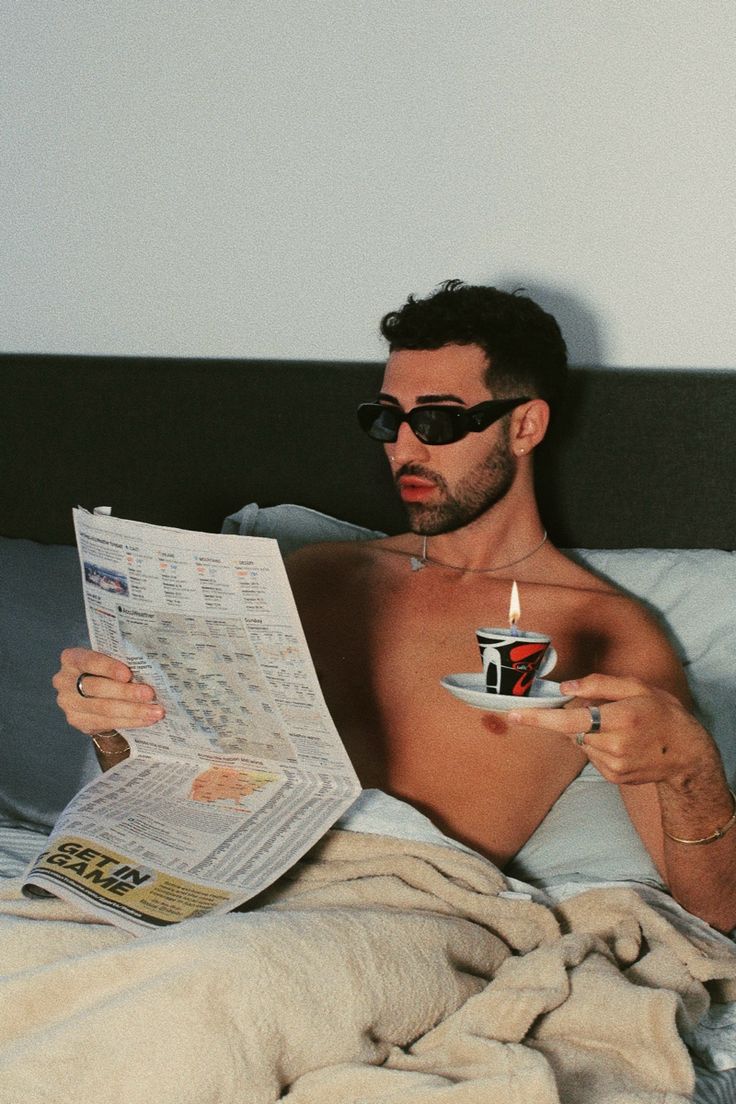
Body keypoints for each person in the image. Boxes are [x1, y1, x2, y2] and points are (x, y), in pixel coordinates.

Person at [53, 280, 736, 933]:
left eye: (436, 421)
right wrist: (114, 727)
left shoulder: (601, 629)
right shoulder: (313, 579)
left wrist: (691, 771)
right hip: (219, 888)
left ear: (524, 426)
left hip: (399, 911)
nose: (403, 448)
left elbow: (717, 914)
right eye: (388, 419)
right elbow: (194, 797)